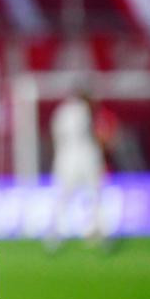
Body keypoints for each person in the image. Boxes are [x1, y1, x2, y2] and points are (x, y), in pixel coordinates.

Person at [48, 91, 110, 248]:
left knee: (63, 196)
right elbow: (96, 134)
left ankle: (55, 234)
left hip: (65, 156)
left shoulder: (61, 112)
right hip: (86, 156)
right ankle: (95, 231)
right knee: (94, 194)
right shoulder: (86, 110)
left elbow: (54, 135)